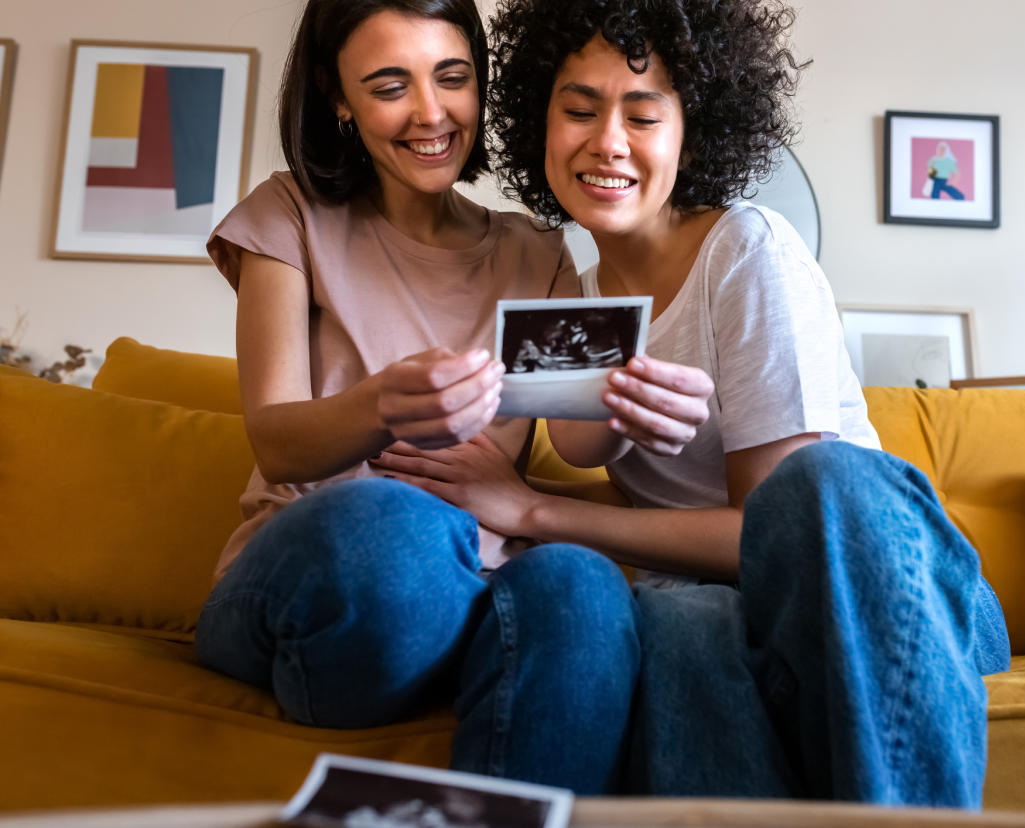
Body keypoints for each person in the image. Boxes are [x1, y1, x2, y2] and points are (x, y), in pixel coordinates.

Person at [373, 0, 1011, 808]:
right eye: (578, 110)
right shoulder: (580, 295)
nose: (606, 141)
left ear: (693, 136)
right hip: (723, 613)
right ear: (541, 125)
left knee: (820, 484)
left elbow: (778, 538)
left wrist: (534, 512)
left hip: (875, 601)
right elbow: (589, 459)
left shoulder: (749, 249)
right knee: (676, 623)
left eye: (642, 116)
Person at [193, 0, 706, 795]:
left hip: (476, 596)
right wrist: (379, 407)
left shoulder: (537, 251)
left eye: (453, 78)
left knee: (579, 582)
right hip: (313, 586)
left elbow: (576, 443)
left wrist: (627, 406)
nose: (431, 114)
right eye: (389, 85)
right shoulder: (289, 214)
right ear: (339, 98)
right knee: (397, 526)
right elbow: (277, 442)